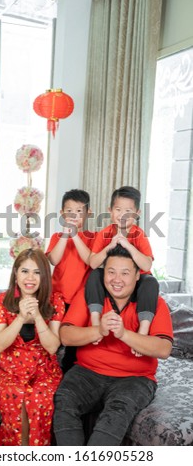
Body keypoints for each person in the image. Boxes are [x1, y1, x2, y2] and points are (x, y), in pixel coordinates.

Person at [53, 244, 173, 446]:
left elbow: (164, 349)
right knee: (64, 400)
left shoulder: (154, 302)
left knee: (116, 413)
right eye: (111, 272)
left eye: (125, 273)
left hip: (134, 379)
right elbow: (65, 336)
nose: (117, 280)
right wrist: (98, 330)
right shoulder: (90, 296)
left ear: (137, 275)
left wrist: (124, 334)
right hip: (87, 372)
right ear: (103, 274)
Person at [0, 248, 65, 446]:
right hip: (11, 372)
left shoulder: (55, 301)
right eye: (24, 271)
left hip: (44, 372)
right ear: (16, 274)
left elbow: (52, 347)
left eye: (37, 272)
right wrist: (22, 318)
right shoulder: (1, 301)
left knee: (37, 400)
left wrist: (38, 316)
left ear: (44, 276)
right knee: (16, 400)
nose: (30, 278)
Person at [86, 186, 159, 354]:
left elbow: (147, 266)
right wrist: (110, 245)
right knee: (94, 275)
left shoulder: (139, 235)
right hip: (113, 283)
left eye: (128, 211)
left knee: (151, 282)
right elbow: (93, 263)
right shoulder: (104, 233)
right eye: (118, 209)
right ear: (110, 211)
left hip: (136, 284)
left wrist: (127, 245)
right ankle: (96, 323)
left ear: (137, 213)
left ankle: (142, 332)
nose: (122, 215)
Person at [46, 189, 97, 371]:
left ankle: (68, 376)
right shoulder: (57, 237)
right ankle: (48, 374)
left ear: (88, 213)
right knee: (53, 340)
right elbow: (53, 260)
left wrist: (75, 235)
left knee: (73, 348)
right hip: (58, 298)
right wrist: (66, 235)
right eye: (69, 211)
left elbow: (90, 260)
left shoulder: (93, 238)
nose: (74, 215)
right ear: (62, 214)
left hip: (80, 301)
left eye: (79, 211)